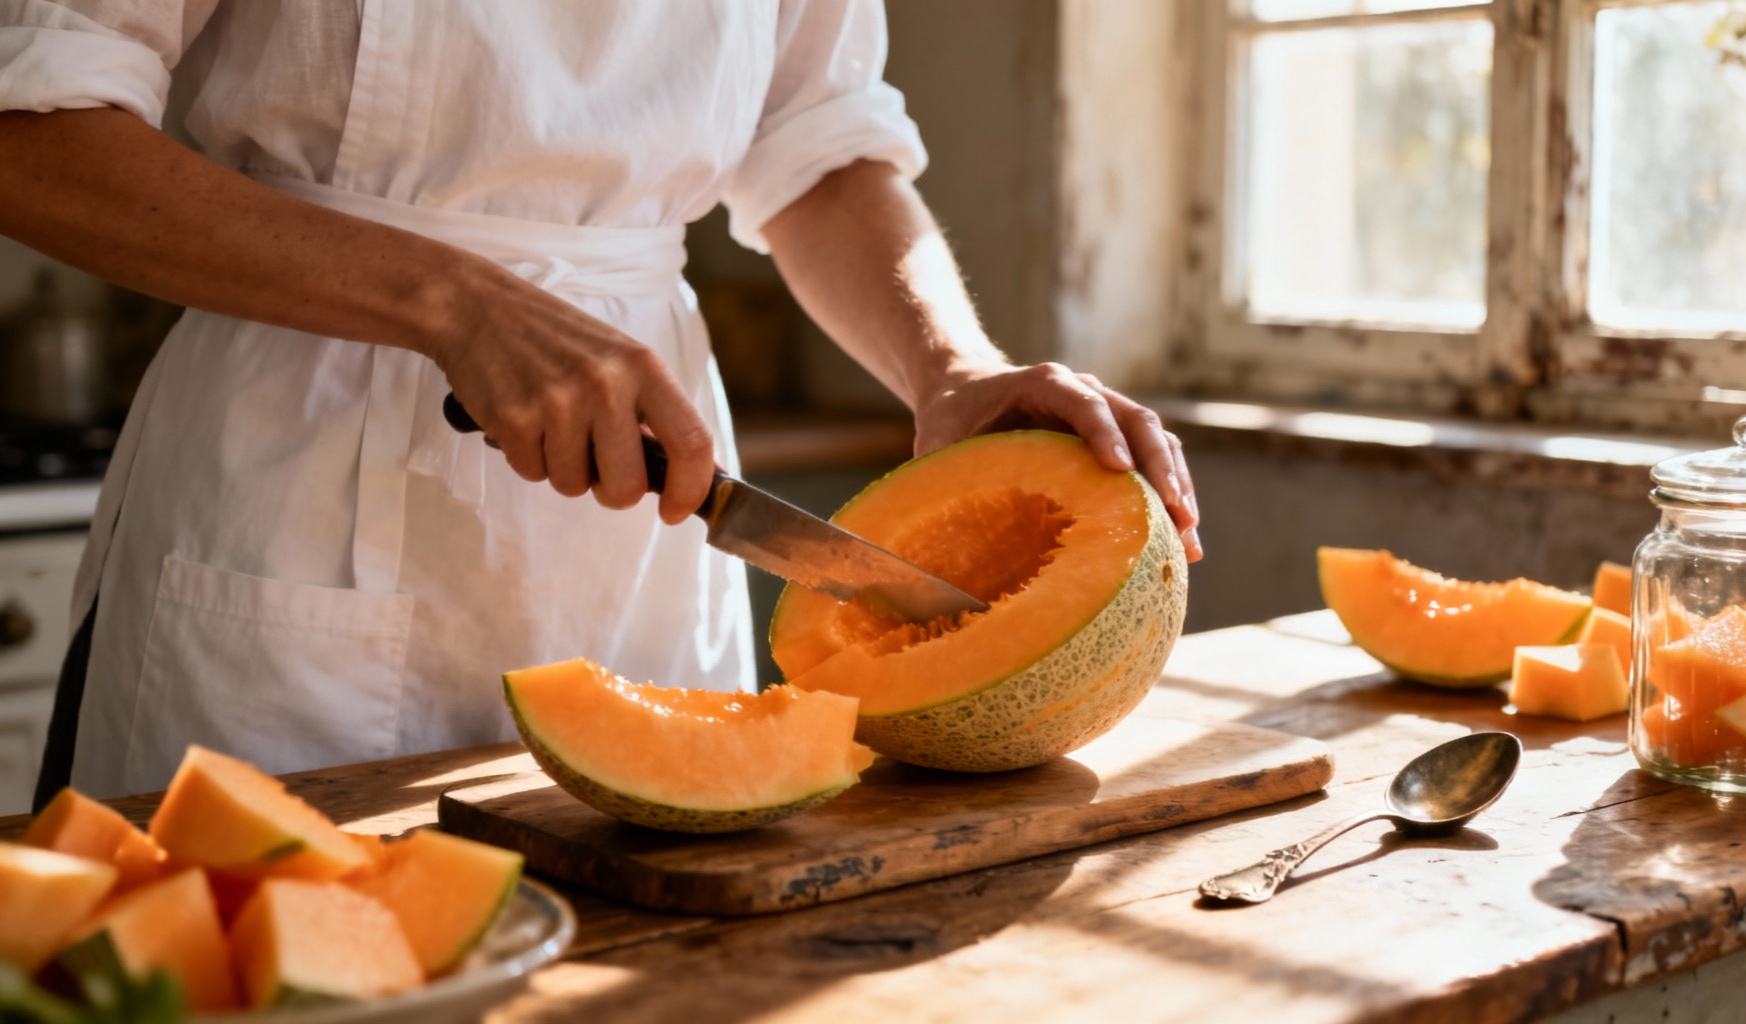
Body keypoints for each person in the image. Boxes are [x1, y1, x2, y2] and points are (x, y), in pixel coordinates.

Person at [0, 1, 1201, 803]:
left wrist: (951, 365)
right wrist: (453, 301)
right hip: (299, 460)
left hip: (645, 504)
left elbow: (822, 150)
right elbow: (31, 128)